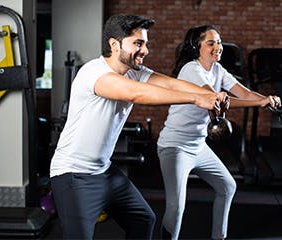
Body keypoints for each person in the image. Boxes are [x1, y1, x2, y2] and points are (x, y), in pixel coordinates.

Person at [49, 15, 223, 239]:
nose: (145, 50)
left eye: (145, 44)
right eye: (138, 44)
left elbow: (170, 83)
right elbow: (136, 93)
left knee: (143, 218)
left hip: (104, 171)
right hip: (73, 175)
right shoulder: (94, 73)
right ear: (114, 44)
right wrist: (196, 100)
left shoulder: (135, 72)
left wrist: (209, 94)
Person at [157, 25, 281, 240]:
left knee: (227, 186)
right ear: (197, 47)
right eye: (211, 43)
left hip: (198, 145)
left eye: (219, 42)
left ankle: (218, 237)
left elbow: (244, 93)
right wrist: (259, 102)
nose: (218, 47)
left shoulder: (218, 70)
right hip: (175, 146)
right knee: (176, 207)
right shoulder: (191, 69)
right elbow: (212, 97)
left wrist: (266, 99)